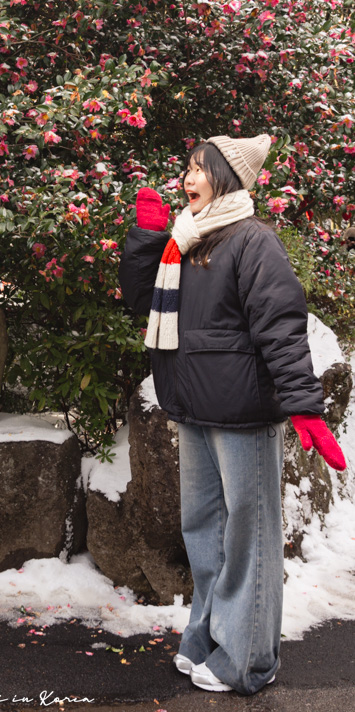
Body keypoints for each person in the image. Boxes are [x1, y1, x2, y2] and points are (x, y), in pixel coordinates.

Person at [118, 133, 347, 696]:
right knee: (204, 531)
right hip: (193, 405)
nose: (187, 179)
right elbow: (142, 300)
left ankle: (247, 659)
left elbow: (281, 325)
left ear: (226, 178)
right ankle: (207, 637)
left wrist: (304, 407)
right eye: (187, 168)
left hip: (242, 410)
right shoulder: (185, 240)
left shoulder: (252, 240)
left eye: (199, 169)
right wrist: (147, 239)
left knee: (249, 536)